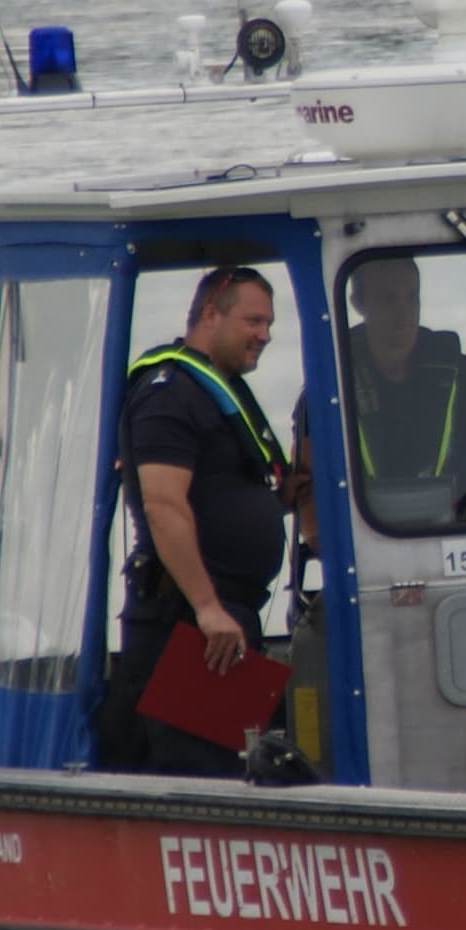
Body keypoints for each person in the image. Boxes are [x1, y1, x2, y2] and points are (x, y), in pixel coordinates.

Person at [96, 265, 309, 777]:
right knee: (202, 771)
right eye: (253, 321)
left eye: (270, 324)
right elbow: (163, 505)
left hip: (223, 616)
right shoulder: (168, 393)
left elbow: (218, 494)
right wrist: (209, 607)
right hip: (191, 621)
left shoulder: (218, 389)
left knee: (228, 759)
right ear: (211, 314)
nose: (265, 335)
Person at [344, 253, 466, 519]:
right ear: (358, 303)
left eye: (412, 297)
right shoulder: (333, 379)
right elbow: (308, 482)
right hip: (366, 547)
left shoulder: (465, 375)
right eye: (388, 299)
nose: (403, 312)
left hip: (455, 544)